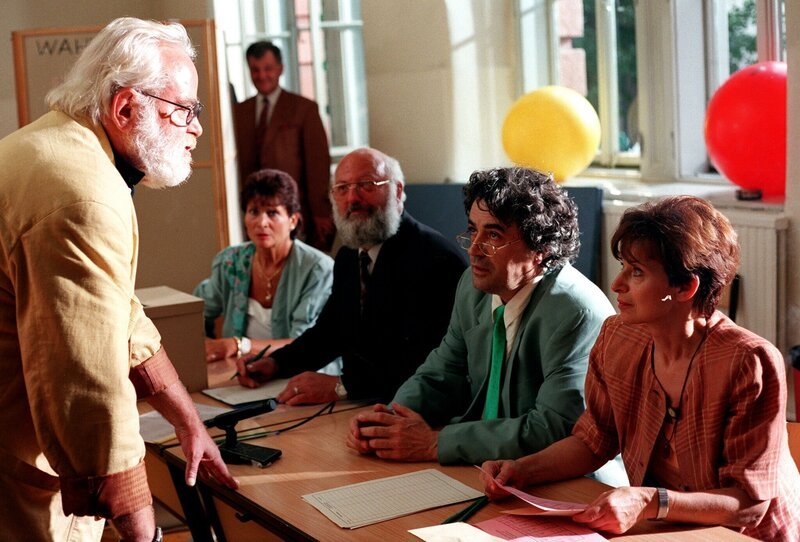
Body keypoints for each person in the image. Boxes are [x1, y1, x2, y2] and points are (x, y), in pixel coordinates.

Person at [0, 18, 238, 541]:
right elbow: (88, 385)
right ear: (126, 108)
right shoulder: (82, 192)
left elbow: (117, 316)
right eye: (184, 109)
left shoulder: (60, 147)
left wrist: (187, 420)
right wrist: (143, 531)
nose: (197, 128)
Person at [479, 196, 800, 540]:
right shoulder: (617, 338)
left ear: (685, 286)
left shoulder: (749, 361)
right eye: (623, 266)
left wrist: (649, 501)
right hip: (668, 530)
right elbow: (593, 441)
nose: (617, 284)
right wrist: (522, 470)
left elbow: (749, 505)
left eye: (637, 272)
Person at [345, 167, 615, 465]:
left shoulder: (575, 312)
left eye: (494, 235)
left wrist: (434, 443)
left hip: (563, 478)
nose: (474, 249)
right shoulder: (472, 287)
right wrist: (387, 421)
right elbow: (442, 373)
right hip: (484, 463)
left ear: (541, 249)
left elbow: (553, 427)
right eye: (473, 230)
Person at [234, 147, 467, 404]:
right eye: (342, 188)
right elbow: (329, 333)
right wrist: (274, 363)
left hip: (416, 411)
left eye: (367, 184)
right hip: (360, 406)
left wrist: (341, 386)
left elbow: (428, 363)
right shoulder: (348, 256)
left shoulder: (435, 257)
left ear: (397, 190)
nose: (353, 198)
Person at [193, 168, 337, 376]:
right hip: (241, 374)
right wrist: (206, 346)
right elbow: (196, 315)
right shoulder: (230, 261)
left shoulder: (317, 269)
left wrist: (239, 345)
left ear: (293, 220)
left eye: (272, 213)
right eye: (254, 212)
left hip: (304, 374)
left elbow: (304, 344)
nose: (261, 223)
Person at [233, 41, 334, 251]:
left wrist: (321, 213)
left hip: (294, 213)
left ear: (280, 69)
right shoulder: (239, 112)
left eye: (268, 68)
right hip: (251, 217)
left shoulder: (304, 109)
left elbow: (318, 166)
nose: (262, 75)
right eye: (255, 70)